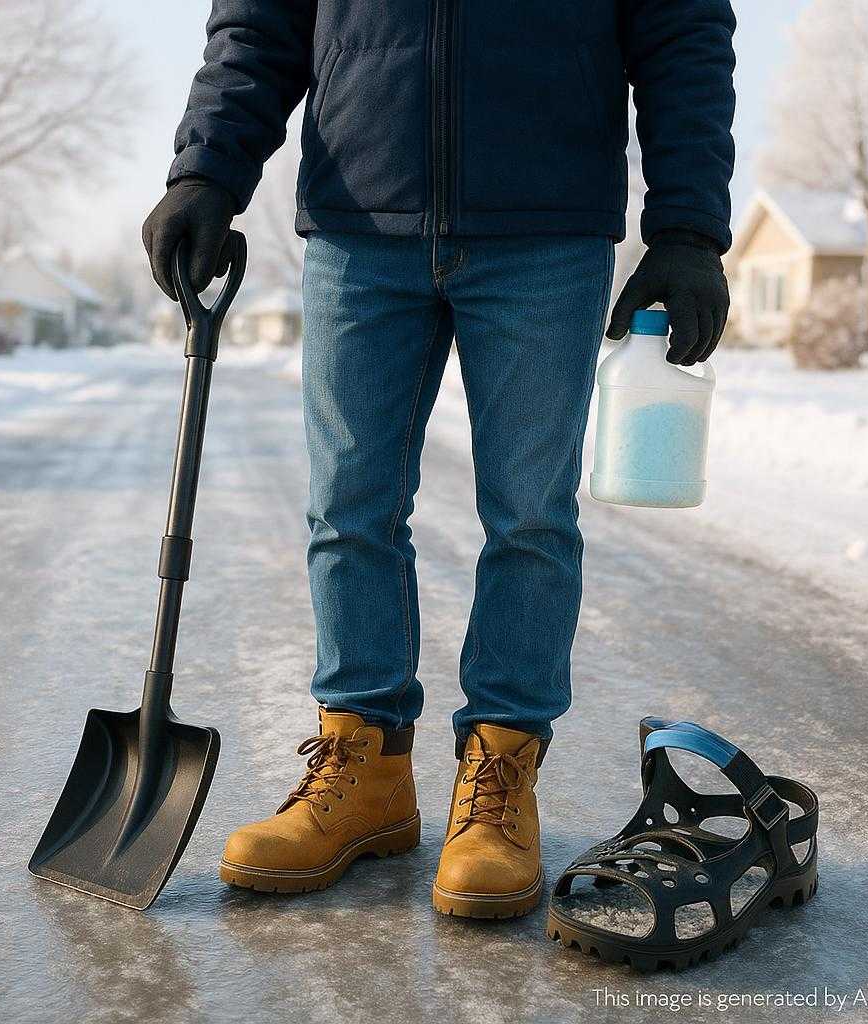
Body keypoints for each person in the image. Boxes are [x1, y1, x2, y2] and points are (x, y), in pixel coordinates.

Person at [143, 0, 735, 919]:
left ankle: (501, 770)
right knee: (348, 506)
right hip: (358, 217)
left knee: (531, 515)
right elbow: (259, 23)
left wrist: (688, 228)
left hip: (547, 222)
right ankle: (364, 764)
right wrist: (208, 171)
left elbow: (683, 26)